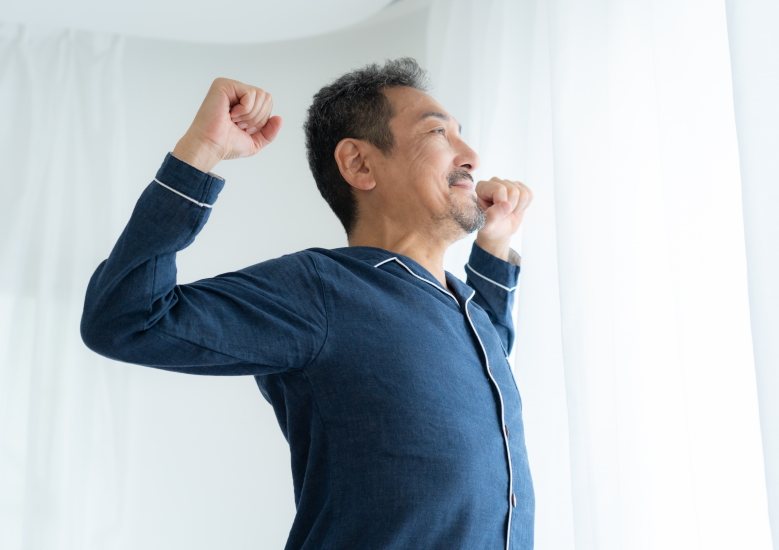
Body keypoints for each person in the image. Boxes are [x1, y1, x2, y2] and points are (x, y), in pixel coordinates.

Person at [81, 58, 535, 550]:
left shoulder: (466, 310)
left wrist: (495, 245)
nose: (471, 156)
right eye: (438, 133)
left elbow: (482, 370)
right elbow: (126, 320)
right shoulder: (321, 292)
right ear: (359, 164)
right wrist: (202, 150)